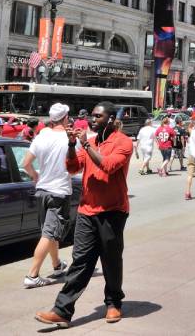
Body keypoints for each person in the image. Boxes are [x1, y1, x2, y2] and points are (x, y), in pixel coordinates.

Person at [34, 102, 133, 328]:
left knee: (111, 261)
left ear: (110, 119)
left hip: (113, 212)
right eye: (92, 115)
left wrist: (85, 145)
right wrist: (71, 145)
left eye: (98, 116)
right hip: (87, 210)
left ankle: (113, 303)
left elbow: (108, 166)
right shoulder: (90, 141)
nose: (92, 119)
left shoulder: (123, 142)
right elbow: (72, 167)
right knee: (80, 262)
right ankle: (62, 310)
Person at [22, 103, 72, 288]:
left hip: (42, 191)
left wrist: (35, 176)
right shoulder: (68, 138)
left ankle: (57, 265)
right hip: (59, 192)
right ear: (65, 118)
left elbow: (26, 163)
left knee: (48, 232)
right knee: (49, 233)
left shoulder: (41, 136)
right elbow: (75, 167)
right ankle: (32, 275)